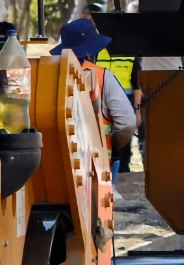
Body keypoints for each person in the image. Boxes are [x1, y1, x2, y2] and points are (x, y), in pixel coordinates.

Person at [51, 18, 137, 159]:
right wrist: (115, 144)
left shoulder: (48, 73)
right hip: (98, 162)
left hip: (56, 159)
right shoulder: (102, 76)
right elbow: (127, 123)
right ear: (92, 50)